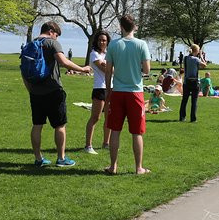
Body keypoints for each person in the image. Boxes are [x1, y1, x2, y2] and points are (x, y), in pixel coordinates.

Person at [23, 22, 90, 168]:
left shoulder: (29, 45)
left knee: (37, 125)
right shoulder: (51, 43)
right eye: (57, 35)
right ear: (51, 31)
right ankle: (61, 158)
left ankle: (38, 158)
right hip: (53, 90)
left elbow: (23, 70)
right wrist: (83, 69)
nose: (57, 38)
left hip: (35, 92)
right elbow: (64, 62)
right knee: (60, 125)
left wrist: (30, 89)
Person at [104, 14, 151, 175]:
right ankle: (139, 167)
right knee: (137, 132)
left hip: (117, 92)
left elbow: (108, 70)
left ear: (121, 27)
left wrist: (108, 90)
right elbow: (147, 70)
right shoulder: (141, 44)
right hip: (135, 92)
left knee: (115, 130)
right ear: (134, 27)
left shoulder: (113, 45)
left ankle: (113, 166)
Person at [84, 30, 112, 155]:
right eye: (100, 40)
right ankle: (88, 145)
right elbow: (105, 69)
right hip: (99, 88)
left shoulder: (109, 54)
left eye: (104, 40)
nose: (102, 42)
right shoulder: (94, 54)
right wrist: (111, 66)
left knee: (109, 118)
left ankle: (106, 143)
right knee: (95, 117)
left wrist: (110, 65)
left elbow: (111, 68)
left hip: (111, 88)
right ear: (96, 41)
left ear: (107, 42)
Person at [180, 45, 207, 122]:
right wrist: (202, 56)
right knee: (194, 101)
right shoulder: (196, 59)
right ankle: (193, 118)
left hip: (186, 82)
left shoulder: (185, 58)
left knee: (184, 100)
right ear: (196, 51)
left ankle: (182, 117)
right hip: (195, 82)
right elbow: (204, 65)